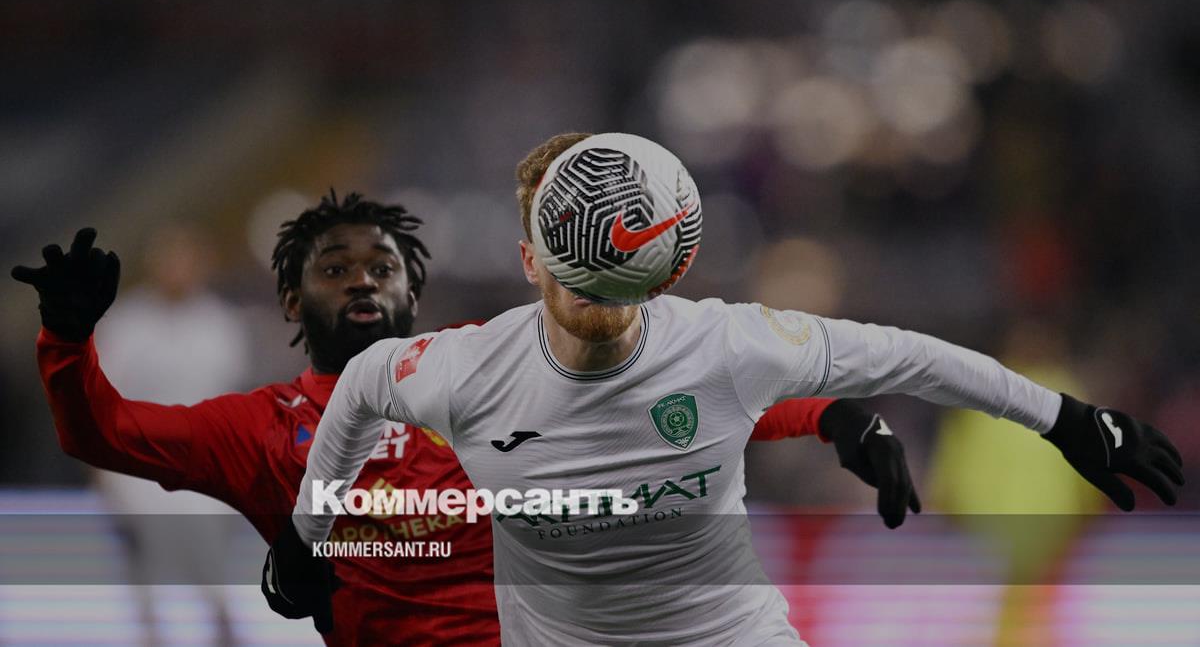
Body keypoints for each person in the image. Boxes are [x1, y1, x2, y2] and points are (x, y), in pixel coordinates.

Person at [272, 133, 1184, 645]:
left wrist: (1066, 417)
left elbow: (911, 357)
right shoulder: (461, 369)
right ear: (528, 262)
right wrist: (307, 535)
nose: (597, 277)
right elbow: (358, 392)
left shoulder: (725, 342)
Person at [12, 193, 919, 645]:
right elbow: (102, 431)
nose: (362, 281)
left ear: (412, 292)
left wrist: (833, 417)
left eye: (382, 267)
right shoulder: (258, 428)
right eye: (334, 268)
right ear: (291, 298)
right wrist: (66, 339)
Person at [92, 224, 249, 646]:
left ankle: (223, 629)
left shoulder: (220, 325)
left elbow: (232, 400)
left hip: (200, 462)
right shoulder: (126, 325)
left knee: (208, 562)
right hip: (138, 465)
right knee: (147, 570)